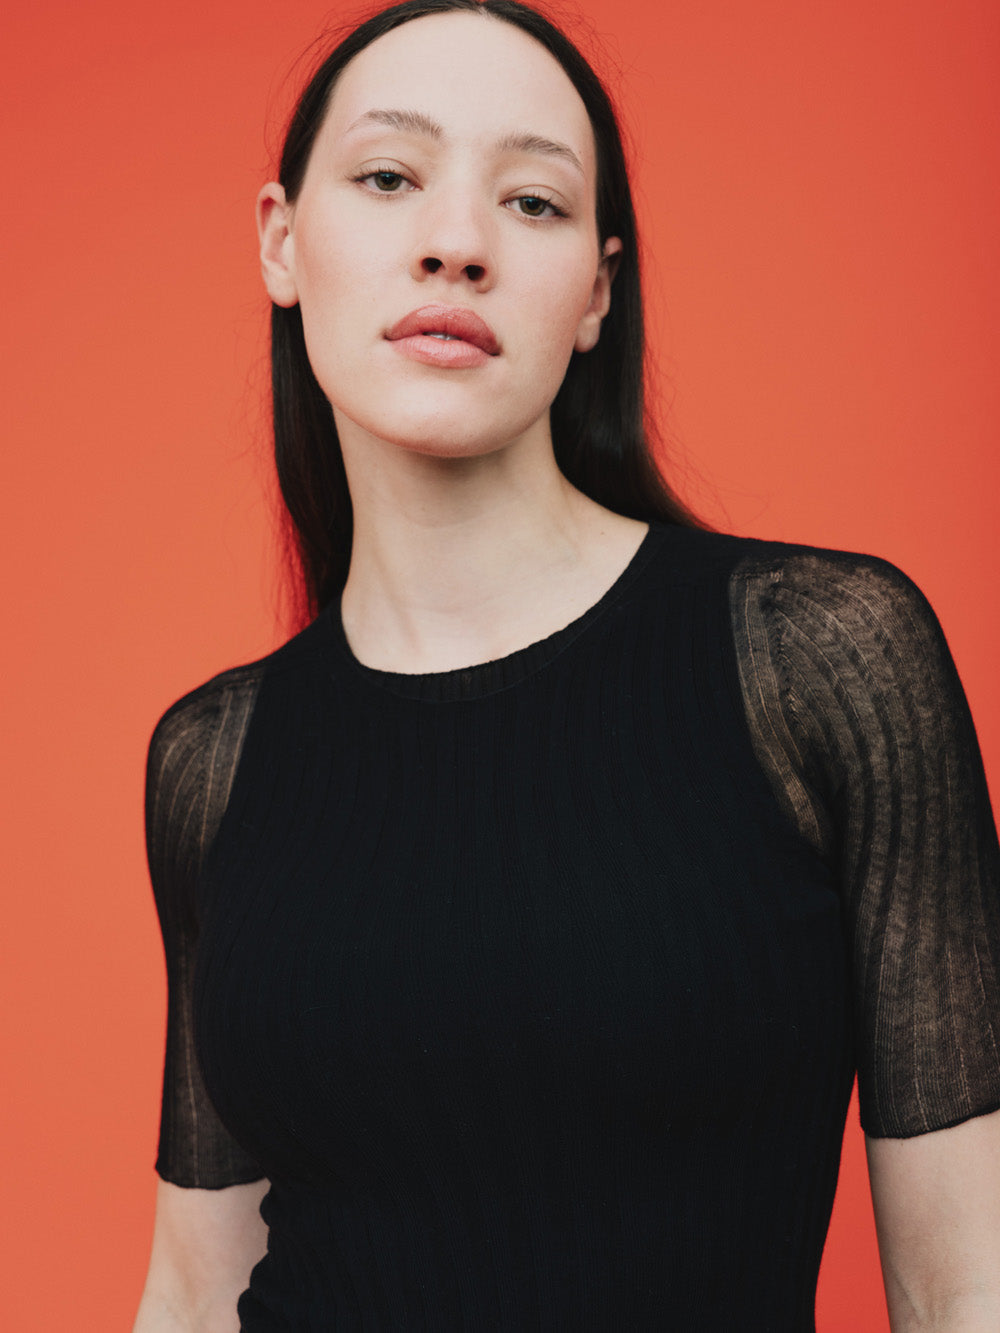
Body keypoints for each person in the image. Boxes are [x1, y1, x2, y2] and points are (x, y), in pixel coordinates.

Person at [132, 1, 1000, 1329]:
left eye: (531, 203)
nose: (457, 241)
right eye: (387, 177)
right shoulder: (216, 759)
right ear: (283, 241)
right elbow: (194, 1290)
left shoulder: (820, 659)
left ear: (596, 291)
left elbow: (964, 1291)